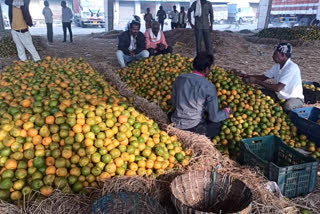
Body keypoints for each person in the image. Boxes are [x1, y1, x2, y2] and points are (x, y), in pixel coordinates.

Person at [170, 53, 231, 139]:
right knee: (217, 124)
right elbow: (214, 117)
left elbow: (174, 102)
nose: (210, 70)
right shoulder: (209, 86)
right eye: (210, 68)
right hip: (193, 128)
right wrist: (227, 111)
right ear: (206, 69)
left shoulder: (180, 78)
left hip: (175, 122)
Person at [242, 43, 304, 111]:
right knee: (257, 93)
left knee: (287, 106)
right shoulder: (277, 66)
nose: (272, 56)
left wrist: (256, 81)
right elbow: (263, 77)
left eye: (275, 54)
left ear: (283, 55)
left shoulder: (291, 67)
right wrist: (245, 75)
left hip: (293, 98)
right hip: (279, 96)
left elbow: (278, 88)